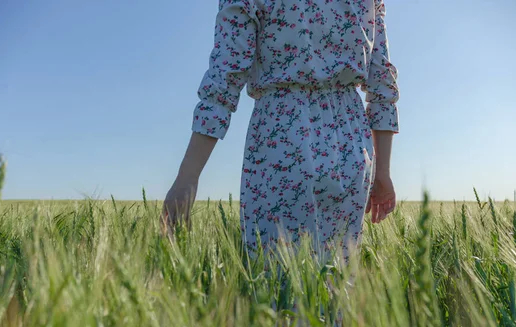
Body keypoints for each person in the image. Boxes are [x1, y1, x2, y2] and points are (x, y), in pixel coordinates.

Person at [163, 0, 399, 261]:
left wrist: (187, 178)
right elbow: (382, 85)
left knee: (278, 285)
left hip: (281, 137)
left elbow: (224, 80)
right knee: (336, 282)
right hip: (351, 144)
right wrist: (383, 172)